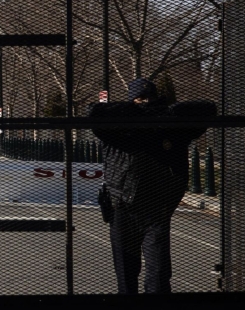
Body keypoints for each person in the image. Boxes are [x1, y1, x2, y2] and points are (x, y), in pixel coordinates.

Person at [89, 78, 215, 294]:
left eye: (150, 100)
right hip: (122, 206)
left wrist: (159, 115)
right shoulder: (118, 129)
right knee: (126, 274)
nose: (146, 103)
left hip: (156, 207)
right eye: (140, 100)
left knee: (158, 274)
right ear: (131, 102)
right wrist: (140, 115)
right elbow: (95, 112)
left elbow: (208, 109)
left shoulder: (169, 127)